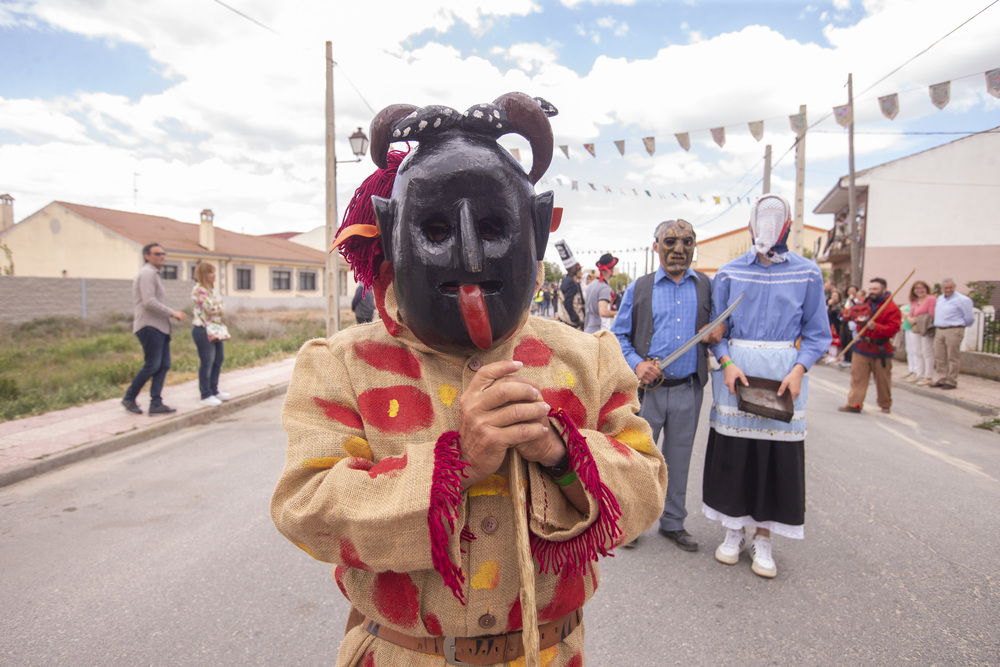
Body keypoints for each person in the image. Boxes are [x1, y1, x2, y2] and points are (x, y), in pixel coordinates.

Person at [270, 92, 667, 667]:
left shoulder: (591, 359)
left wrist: (559, 450)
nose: (472, 257)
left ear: (535, 226)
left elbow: (646, 494)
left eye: (492, 225)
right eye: (434, 227)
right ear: (389, 229)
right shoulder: (339, 366)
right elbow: (305, 508)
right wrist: (457, 462)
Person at [703, 194, 831, 579]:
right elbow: (716, 328)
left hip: (783, 377)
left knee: (774, 456)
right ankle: (732, 530)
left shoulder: (807, 273)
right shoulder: (728, 273)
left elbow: (816, 333)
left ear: (788, 226)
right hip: (734, 374)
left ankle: (764, 538)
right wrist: (725, 361)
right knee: (735, 451)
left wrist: (799, 370)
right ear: (751, 226)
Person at [612, 218, 722, 552]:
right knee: (640, 458)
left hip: (689, 387)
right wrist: (637, 364)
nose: (679, 249)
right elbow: (619, 335)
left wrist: (720, 333)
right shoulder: (640, 287)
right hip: (649, 392)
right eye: (670, 242)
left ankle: (673, 523)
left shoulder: (705, 286)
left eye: (687, 242)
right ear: (655, 246)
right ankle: (633, 524)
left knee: (678, 457)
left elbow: (716, 331)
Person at [121, 243, 187, 415]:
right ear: (147, 256)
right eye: (157, 254)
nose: (162, 257)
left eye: (163, 253)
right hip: (150, 326)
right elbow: (148, 301)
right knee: (152, 365)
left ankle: (156, 403)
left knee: (163, 364)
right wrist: (172, 313)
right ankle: (129, 397)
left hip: (160, 326)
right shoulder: (147, 273)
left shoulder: (154, 274)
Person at [838, 277, 902, 414]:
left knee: (883, 380)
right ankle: (854, 403)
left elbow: (893, 329)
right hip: (862, 345)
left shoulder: (891, 308)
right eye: (870, 289)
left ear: (883, 290)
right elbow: (847, 315)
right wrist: (850, 314)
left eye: (875, 289)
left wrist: (876, 326)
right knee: (857, 377)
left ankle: (885, 404)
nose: (872, 292)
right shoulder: (863, 305)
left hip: (881, 347)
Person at [191, 262, 230, 407]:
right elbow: (211, 308)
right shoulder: (198, 290)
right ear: (203, 274)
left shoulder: (212, 290)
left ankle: (214, 389)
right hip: (203, 329)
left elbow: (220, 307)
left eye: (214, 272)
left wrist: (218, 307)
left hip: (216, 328)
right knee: (207, 361)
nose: (213, 275)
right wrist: (218, 307)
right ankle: (205, 393)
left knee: (218, 359)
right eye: (210, 272)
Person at [931, 278, 974, 389]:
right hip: (940, 329)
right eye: (946, 288)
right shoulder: (940, 299)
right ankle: (941, 378)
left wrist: (960, 326)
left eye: (950, 287)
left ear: (954, 287)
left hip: (954, 329)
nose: (948, 290)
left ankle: (951, 381)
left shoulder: (962, 300)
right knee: (939, 356)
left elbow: (969, 317)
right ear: (942, 288)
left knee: (952, 356)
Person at [904, 280, 936, 386]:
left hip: (926, 327)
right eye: (917, 288)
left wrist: (916, 319)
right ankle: (919, 373)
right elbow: (910, 313)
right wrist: (910, 318)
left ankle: (928, 376)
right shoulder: (915, 300)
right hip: (915, 328)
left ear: (926, 288)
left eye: (922, 287)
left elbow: (931, 314)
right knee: (917, 351)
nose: (919, 290)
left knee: (927, 351)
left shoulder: (931, 299)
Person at [583, 253, 617, 334]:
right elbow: (603, 312)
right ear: (611, 270)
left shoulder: (591, 285)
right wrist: (618, 314)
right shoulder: (604, 287)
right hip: (597, 333)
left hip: (587, 329)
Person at [558, 263, 586, 330]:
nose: (581, 272)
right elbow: (568, 304)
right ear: (576, 271)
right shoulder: (571, 283)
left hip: (564, 319)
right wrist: (576, 320)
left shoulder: (563, 281)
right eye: (580, 270)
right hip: (571, 323)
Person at [839, 285, 860, 367]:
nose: (851, 292)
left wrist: (852, 302)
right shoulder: (846, 301)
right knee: (844, 339)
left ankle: (850, 359)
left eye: (853, 290)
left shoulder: (857, 301)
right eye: (849, 290)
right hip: (844, 321)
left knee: (850, 340)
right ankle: (845, 358)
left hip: (852, 323)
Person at [826, 288, 844, 362]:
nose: (834, 297)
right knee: (830, 340)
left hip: (837, 325)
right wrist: (829, 305)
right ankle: (831, 354)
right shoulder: (829, 304)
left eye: (836, 296)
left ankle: (836, 355)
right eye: (833, 295)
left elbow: (838, 314)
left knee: (836, 340)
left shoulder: (840, 305)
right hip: (829, 324)